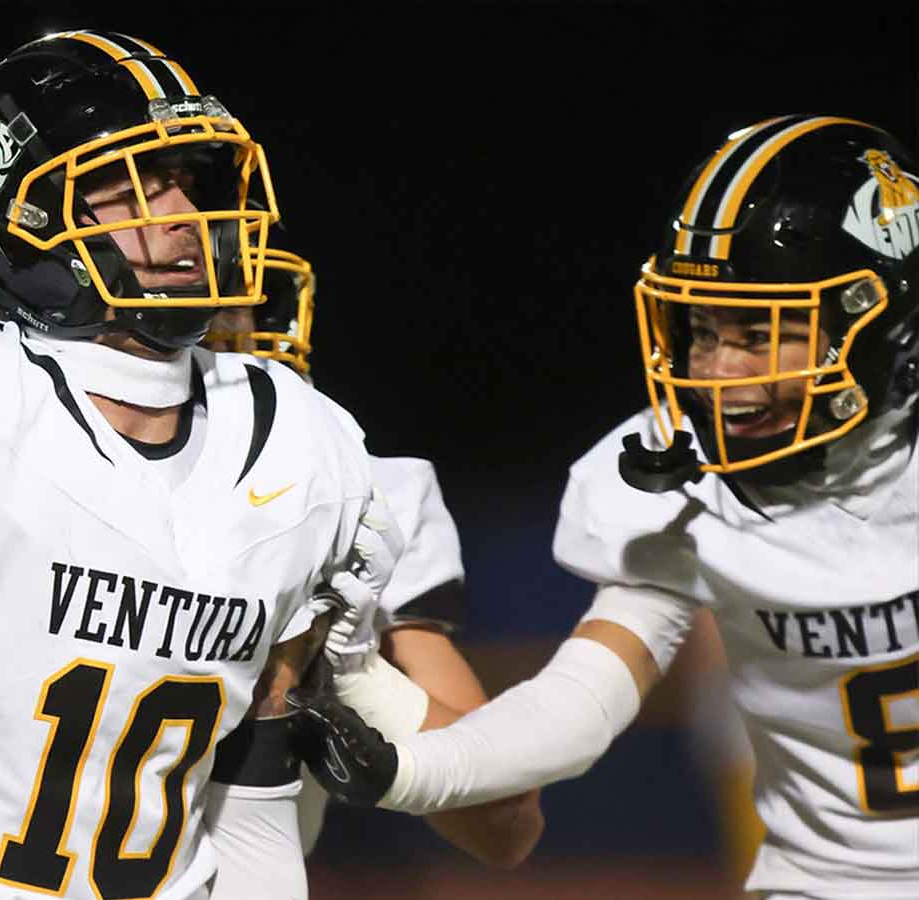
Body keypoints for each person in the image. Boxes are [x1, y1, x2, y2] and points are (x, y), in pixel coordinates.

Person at [0, 30, 385, 900]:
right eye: (125, 187)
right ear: (14, 226)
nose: (180, 213)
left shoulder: (300, 443)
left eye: (184, 180)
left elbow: (250, 815)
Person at [302, 116, 919, 899]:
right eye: (705, 329)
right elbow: (578, 705)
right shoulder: (688, 483)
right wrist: (408, 768)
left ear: (884, 328)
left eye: (765, 332)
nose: (720, 370)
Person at [205, 248, 543, 867]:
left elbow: (506, 822)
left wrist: (351, 671)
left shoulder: (358, 497)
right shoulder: (30, 466)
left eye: (233, 298)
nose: (227, 326)